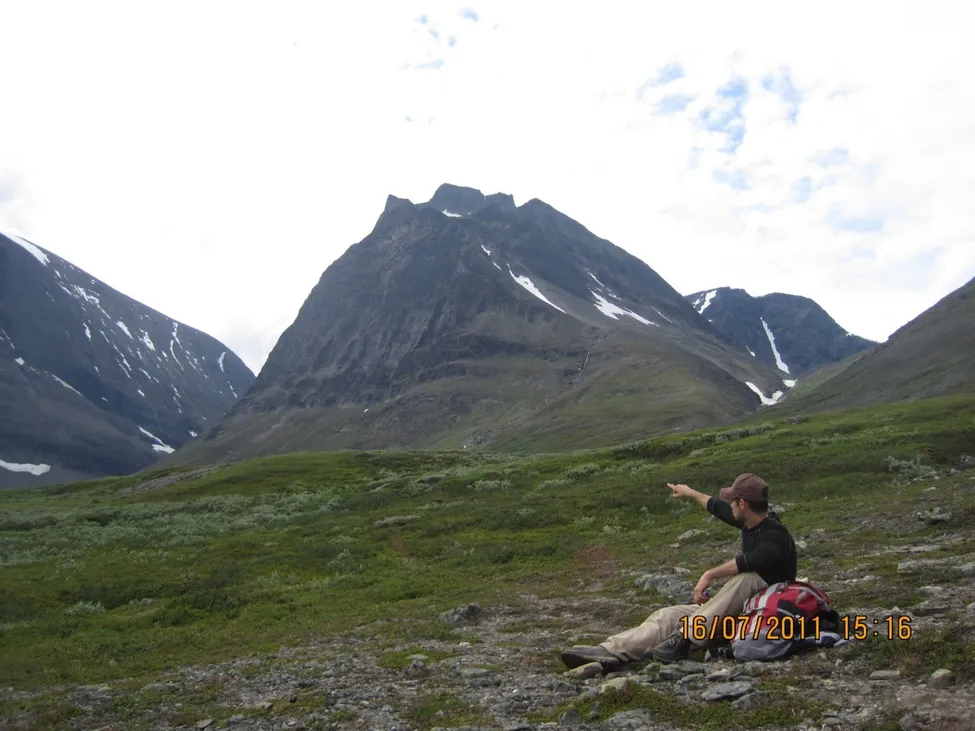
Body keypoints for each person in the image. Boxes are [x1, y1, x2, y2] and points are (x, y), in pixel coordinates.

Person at [560, 473, 797, 671]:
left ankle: (683, 641)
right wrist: (690, 492)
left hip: (759, 621)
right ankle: (612, 651)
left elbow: (751, 560)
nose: (730, 505)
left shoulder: (775, 535)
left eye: (733, 500)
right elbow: (717, 507)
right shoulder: (750, 522)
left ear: (742, 504)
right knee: (667, 616)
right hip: (726, 617)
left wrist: (709, 574)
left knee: (748, 578)